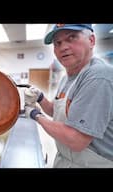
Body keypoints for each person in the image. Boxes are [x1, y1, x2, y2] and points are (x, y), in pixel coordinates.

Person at [24, 24, 113, 168]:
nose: (63, 47)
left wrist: (35, 115)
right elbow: (55, 111)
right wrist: (40, 97)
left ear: (91, 40)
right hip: (67, 160)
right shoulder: (68, 78)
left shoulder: (98, 76)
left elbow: (76, 140)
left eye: (72, 37)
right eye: (57, 43)